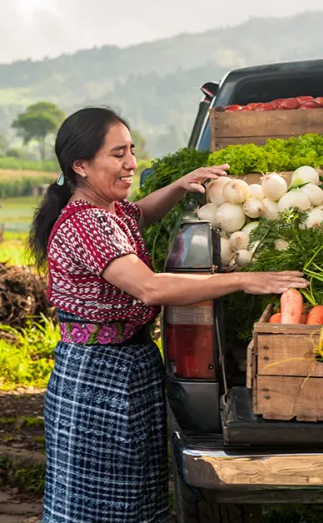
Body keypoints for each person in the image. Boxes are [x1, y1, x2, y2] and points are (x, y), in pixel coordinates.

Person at [30, 107, 308, 523]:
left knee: (134, 492)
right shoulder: (86, 224)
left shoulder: (109, 210)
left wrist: (180, 184)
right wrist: (243, 279)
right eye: (118, 154)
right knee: (100, 505)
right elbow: (151, 287)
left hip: (127, 364)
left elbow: (141, 213)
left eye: (132, 150)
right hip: (98, 377)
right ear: (81, 166)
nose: (131, 163)